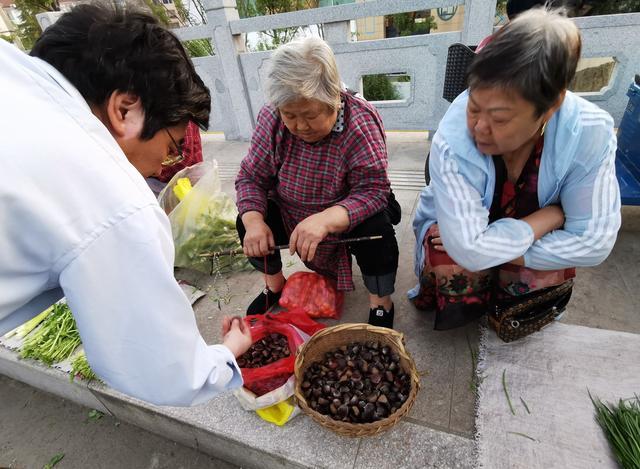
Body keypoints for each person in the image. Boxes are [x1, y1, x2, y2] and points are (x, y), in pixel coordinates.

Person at [0, 3, 252, 405]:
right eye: (170, 150)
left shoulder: (12, 67)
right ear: (125, 110)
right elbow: (166, 369)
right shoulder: (110, 195)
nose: (164, 166)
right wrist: (226, 354)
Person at [410, 8, 621, 334]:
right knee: (452, 256)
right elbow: (468, 250)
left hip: (500, 237)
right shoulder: (452, 138)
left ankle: (514, 300)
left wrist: (500, 250)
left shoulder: (591, 133)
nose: (479, 127)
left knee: (501, 261)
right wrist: (548, 218)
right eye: (474, 107)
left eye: (500, 118)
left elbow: (594, 241)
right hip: (528, 227)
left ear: (551, 105)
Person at [235, 37, 400, 328]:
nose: (299, 126)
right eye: (290, 116)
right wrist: (253, 222)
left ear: (334, 98)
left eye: (310, 115)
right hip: (289, 207)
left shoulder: (360, 122)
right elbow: (252, 176)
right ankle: (274, 286)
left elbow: (373, 190)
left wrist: (325, 220)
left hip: (345, 210)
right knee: (250, 219)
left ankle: (381, 303)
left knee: (377, 229)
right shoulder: (271, 117)